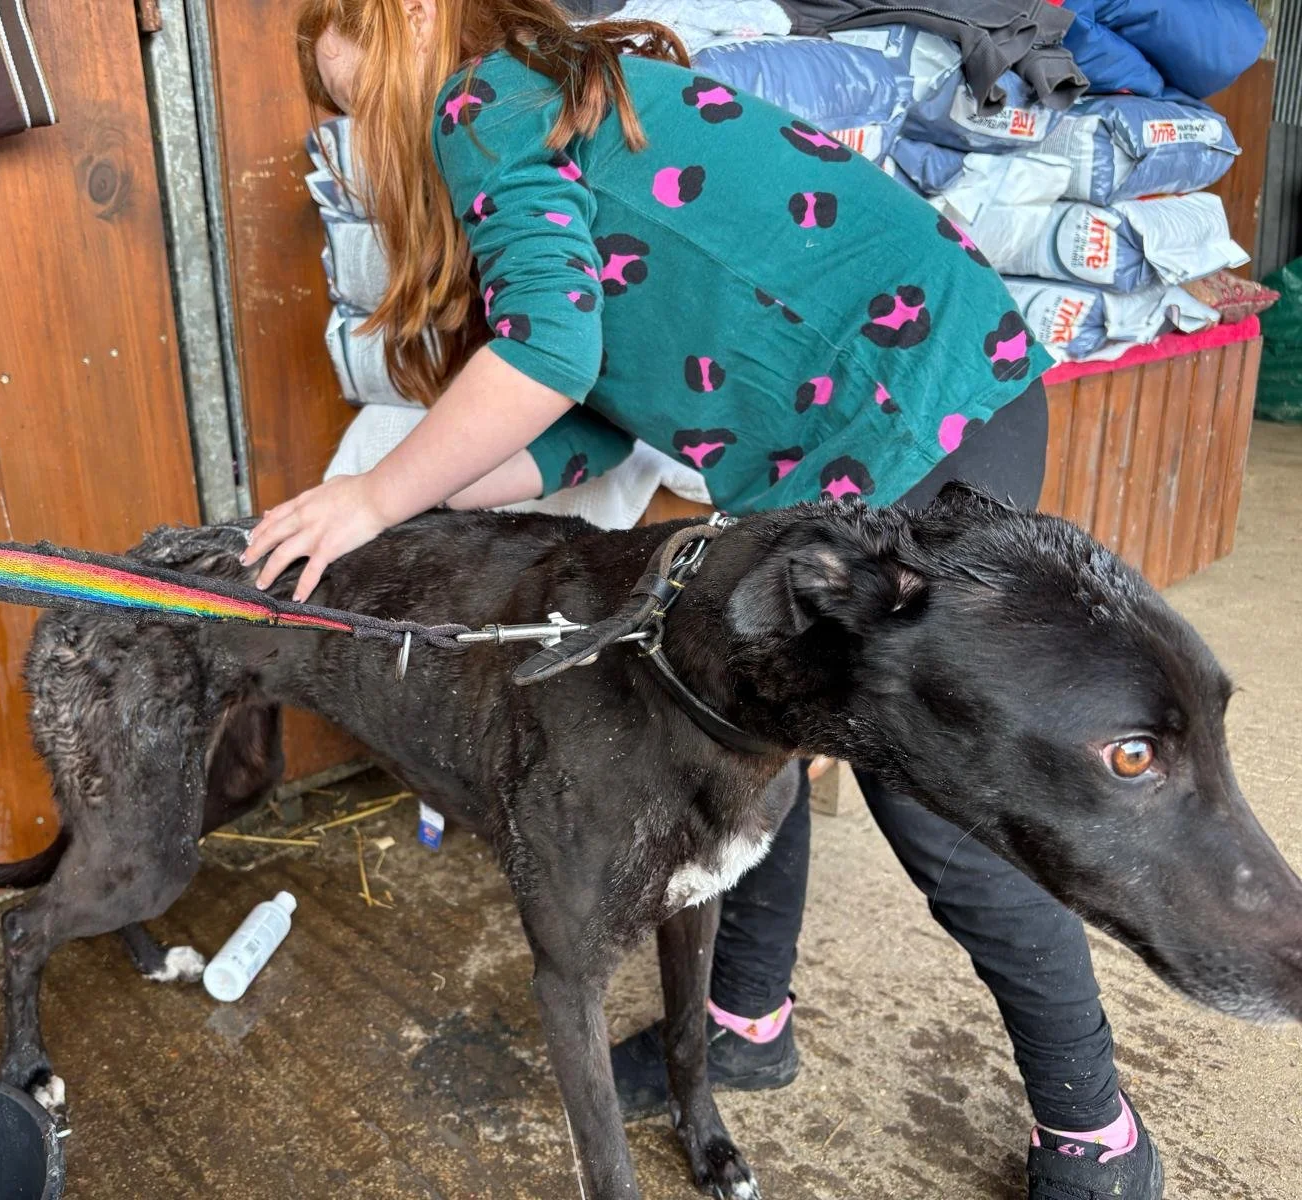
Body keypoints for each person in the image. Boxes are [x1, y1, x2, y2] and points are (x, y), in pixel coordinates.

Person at [243, 3, 1163, 1196]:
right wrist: (424, 504)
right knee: (737, 715)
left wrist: (368, 500)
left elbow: (543, 357)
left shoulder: (482, 99)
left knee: (940, 793)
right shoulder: (559, 100)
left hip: (914, 428)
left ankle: (1094, 1126)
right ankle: (745, 1021)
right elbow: (579, 421)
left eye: (357, 102)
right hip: (891, 430)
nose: (365, 138)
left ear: (413, 19)